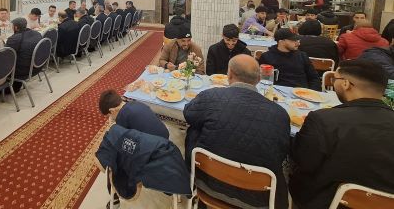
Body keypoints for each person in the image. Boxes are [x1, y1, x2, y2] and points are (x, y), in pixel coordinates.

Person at [184, 55, 290, 209]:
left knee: (195, 128)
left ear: (229, 75)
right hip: (259, 196)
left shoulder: (211, 96)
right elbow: (282, 151)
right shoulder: (280, 114)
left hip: (207, 182)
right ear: (259, 79)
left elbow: (188, 114)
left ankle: (188, 178)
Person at [290, 60, 394, 209]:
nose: (334, 83)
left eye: (335, 79)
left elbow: (303, 162)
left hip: (326, 201)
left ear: (345, 84)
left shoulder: (323, 120)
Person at [99, 89, 169, 139]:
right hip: (164, 133)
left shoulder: (122, 116)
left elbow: (121, 135)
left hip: (157, 145)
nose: (111, 118)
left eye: (109, 116)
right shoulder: (134, 103)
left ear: (112, 111)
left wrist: (112, 126)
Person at [5, 18, 42, 92]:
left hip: (23, 70)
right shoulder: (37, 33)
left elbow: (6, 55)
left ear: (15, 27)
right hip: (37, 66)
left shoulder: (14, 39)